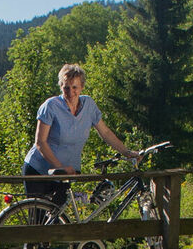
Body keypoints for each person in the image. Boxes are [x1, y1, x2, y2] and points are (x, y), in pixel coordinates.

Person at [23, 63, 137, 205]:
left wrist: (127, 152)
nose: (70, 92)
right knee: (39, 221)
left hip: (65, 173)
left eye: (75, 87)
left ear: (82, 87)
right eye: (66, 87)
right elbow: (40, 142)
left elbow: (106, 132)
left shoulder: (88, 105)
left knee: (58, 218)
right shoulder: (51, 106)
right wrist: (60, 168)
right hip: (39, 169)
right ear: (61, 87)